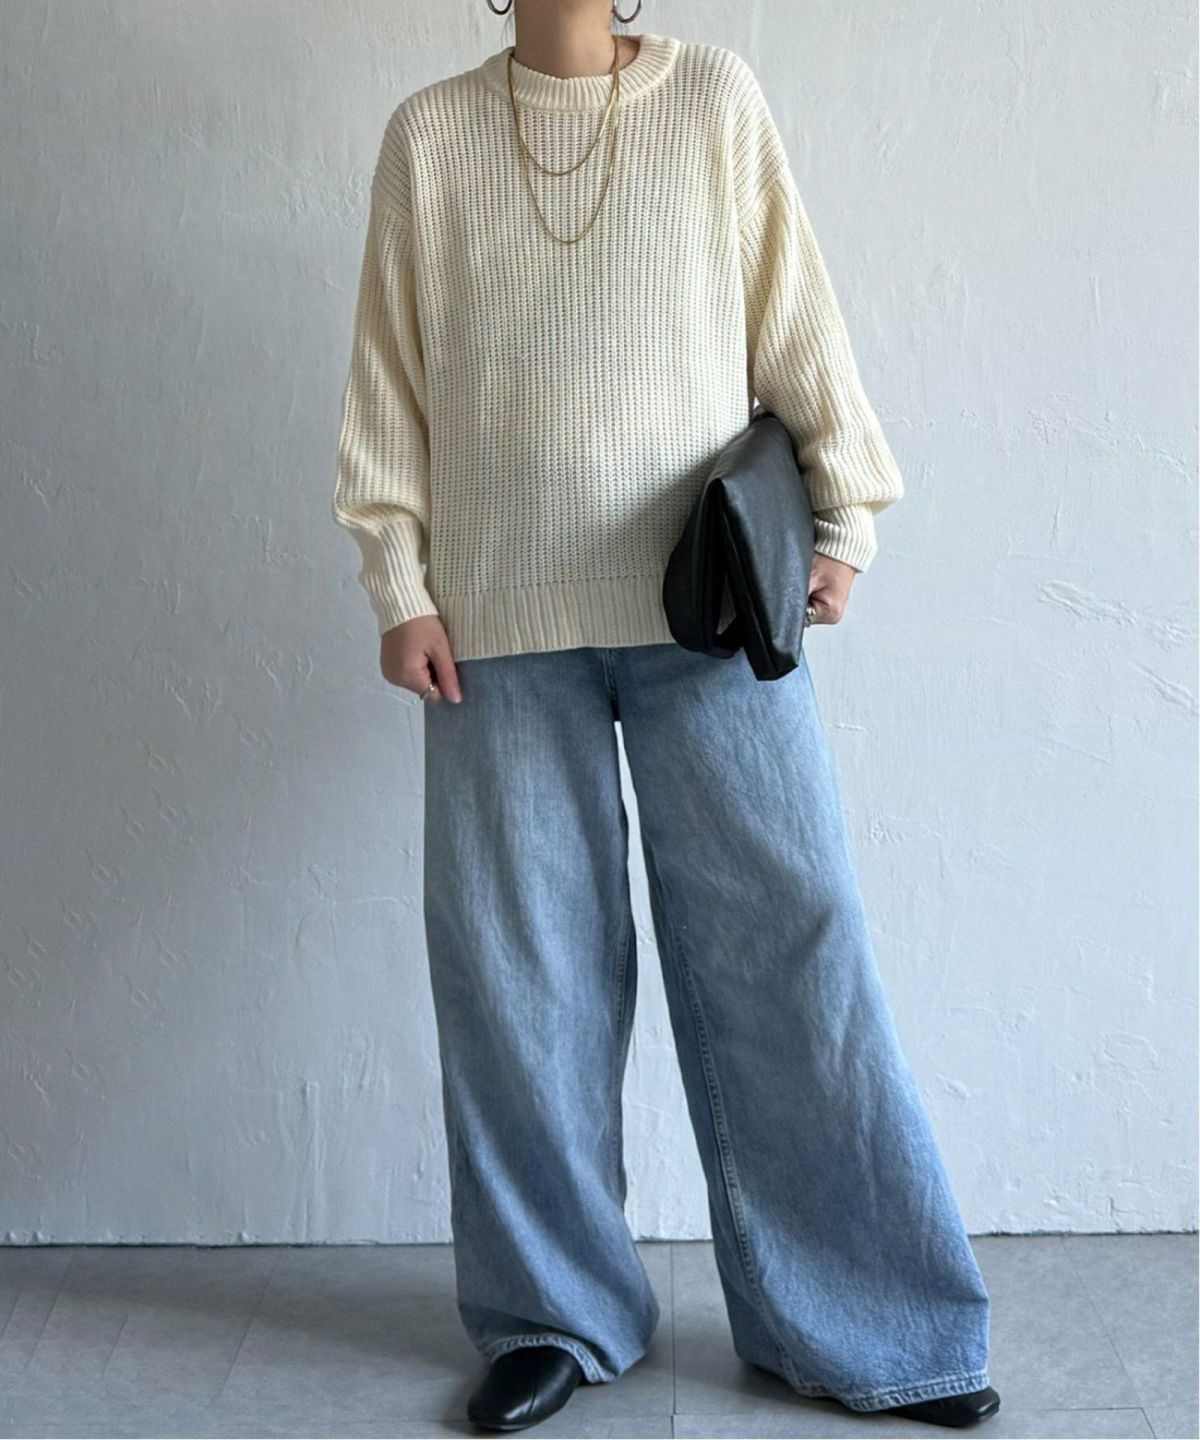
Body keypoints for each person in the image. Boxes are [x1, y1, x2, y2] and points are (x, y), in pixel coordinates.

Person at [331, 0, 1000, 1431]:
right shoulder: (431, 136)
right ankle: (551, 1313)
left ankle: (869, 1320)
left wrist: (845, 514)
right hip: (495, 629)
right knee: (518, 979)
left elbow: (793, 316)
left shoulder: (714, 102)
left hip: (712, 608)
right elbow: (390, 381)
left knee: (790, 943)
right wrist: (400, 582)